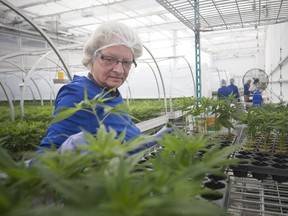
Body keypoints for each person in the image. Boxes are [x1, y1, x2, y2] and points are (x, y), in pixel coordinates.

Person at [38, 21, 172, 154]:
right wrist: (62, 154)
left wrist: (149, 141)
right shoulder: (78, 94)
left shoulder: (112, 93)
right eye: (109, 59)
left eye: (126, 62)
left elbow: (125, 142)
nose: (119, 70)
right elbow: (41, 162)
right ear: (92, 58)